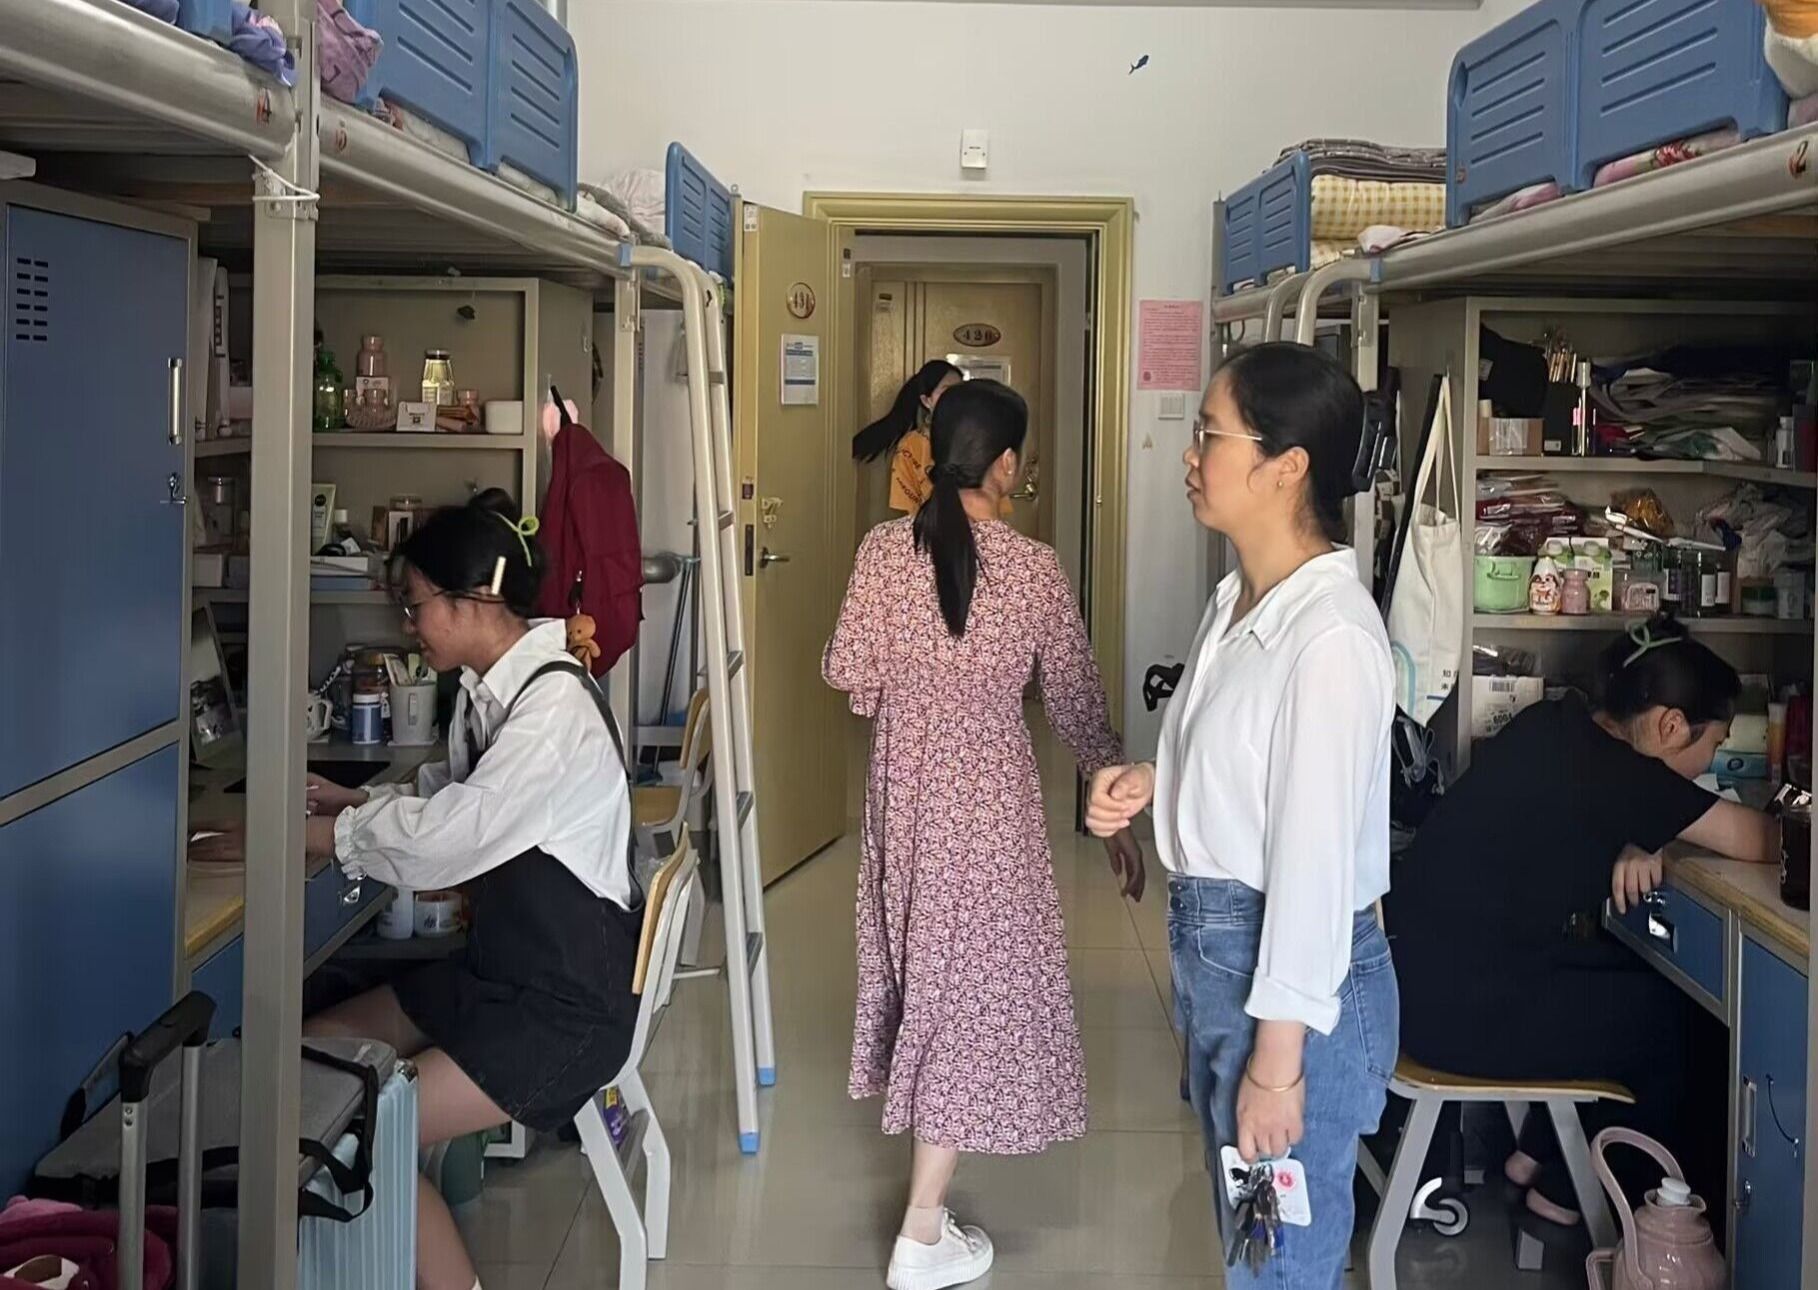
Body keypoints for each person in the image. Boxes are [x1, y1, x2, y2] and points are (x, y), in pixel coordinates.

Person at [251, 493, 634, 1290]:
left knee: (355, 1128)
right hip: (503, 979)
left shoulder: (552, 709)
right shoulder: (494, 693)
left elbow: (454, 838)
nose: (409, 623)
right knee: (306, 1058)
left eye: (417, 603)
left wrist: (323, 835)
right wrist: (357, 802)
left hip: (559, 1012)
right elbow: (459, 797)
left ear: (474, 601)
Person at [1085, 342, 1397, 1289]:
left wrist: (1277, 1065)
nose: (1190, 456)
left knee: (1280, 1263)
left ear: (1286, 466)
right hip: (1227, 956)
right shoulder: (1240, 598)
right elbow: (1258, 765)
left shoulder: (1329, 637)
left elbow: (1312, 865)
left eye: (1210, 436)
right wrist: (1156, 779)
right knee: (1253, 1244)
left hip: (1289, 982)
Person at [825, 379, 1144, 1290]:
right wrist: (1113, 801)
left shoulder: (883, 551)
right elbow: (1075, 699)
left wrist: (913, 694)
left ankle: (926, 1211)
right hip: (992, 808)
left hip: (904, 799)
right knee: (968, 991)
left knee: (931, 979)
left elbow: (850, 674)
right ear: (1006, 464)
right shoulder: (1035, 568)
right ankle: (922, 1232)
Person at [1385, 615, 1778, 1223]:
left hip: (1413, 984)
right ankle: (1573, 1196)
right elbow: (1764, 840)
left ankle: (1538, 1156)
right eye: (1715, 745)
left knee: (1622, 975)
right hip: (1457, 1014)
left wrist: (1651, 835)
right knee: (1674, 1027)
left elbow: (1621, 810)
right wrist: (1656, 828)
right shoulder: (1628, 778)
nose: (1711, 762)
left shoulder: (1554, 723)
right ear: (1671, 726)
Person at [852, 359, 1006, 519]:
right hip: (927, 530)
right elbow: (908, 509)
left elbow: (997, 503)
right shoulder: (911, 445)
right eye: (946, 391)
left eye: (959, 391)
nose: (956, 398)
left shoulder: (980, 441)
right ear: (926, 400)